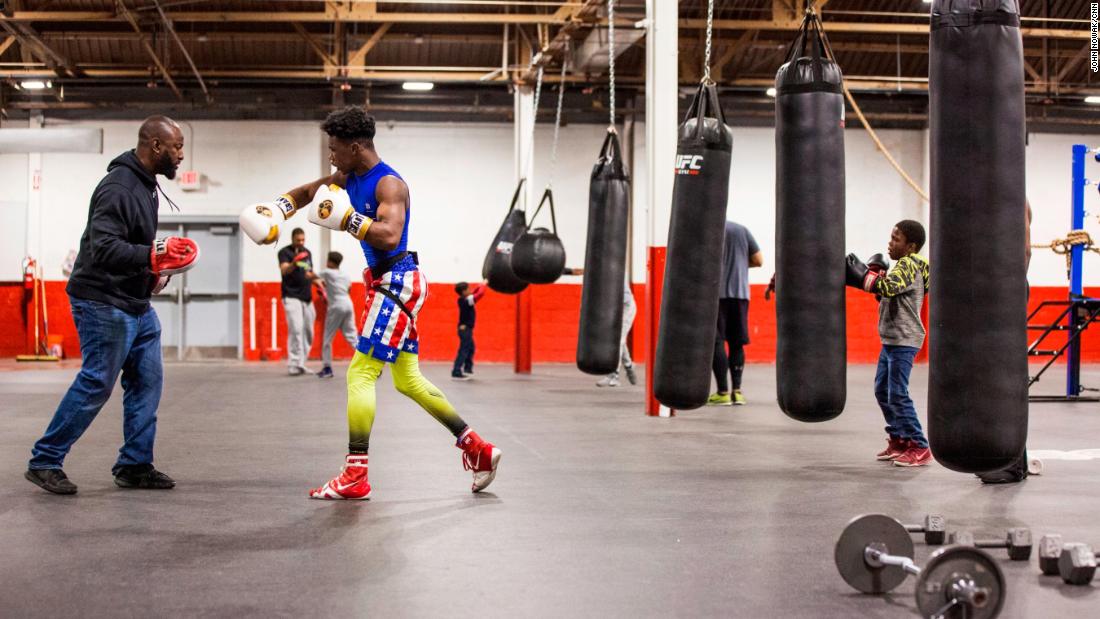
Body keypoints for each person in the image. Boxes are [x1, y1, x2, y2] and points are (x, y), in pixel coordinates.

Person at [239, 105, 501, 498]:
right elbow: (310, 192)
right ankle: (478, 449)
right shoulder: (347, 175)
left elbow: (391, 236)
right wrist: (277, 209)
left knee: (360, 374)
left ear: (357, 146)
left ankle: (356, 474)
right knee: (408, 380)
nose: (331, 155)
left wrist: (347, 221)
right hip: (387, 282)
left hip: (397, 281)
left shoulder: (388, 184)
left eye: (335, 148)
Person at [25, 116, 196, 495]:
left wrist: (154, 271)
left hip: (135, 302)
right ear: (155, 146)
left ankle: (134, 464)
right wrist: (153, 253)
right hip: (102, 301)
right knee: (97, 381)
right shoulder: (118, 186)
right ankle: (45, 460)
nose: (182, 155)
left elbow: (131, 249)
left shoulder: (146, 185)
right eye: (177, 147)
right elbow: (103, 248)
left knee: (147, 381)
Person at [846, 220, 931, 467]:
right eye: (891, 238)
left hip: (904, 340)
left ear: (910, 246)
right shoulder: (901, 266)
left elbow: (890, 288)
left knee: (897, 393)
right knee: (882, 390)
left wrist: (863, 276)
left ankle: (919, 445)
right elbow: (885, 294)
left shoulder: (909, 265)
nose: (890, 243)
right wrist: (869, 280)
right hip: (892, 338)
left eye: (896, 239)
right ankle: (899, 439)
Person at [977, 200, 1036, 484]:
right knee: (989, 377)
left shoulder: (1013, 197)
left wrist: (1008, 288)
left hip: (1007, 287)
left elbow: (1024, 250)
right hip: (994, 286)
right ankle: (1001, 457)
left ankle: (1013, 464)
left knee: (1006, 374)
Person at [708, 220, 763, 406]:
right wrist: (739, 263)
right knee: (737, 343)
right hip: (740, 295)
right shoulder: (742, 230)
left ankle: (722, 392)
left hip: (716, 295)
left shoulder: (709, 229)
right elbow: (758, 260)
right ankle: (737, 392)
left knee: (717, 342)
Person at [278, 228, 321, 376]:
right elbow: (284, 270)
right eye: (298, 240)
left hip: (306, 297)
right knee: (296, 329)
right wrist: (294, 262)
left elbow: (308, 273)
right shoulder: (284, 252)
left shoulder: (307, 253)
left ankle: (301, 363)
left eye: (303, 240)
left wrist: (320, 283)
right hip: (291, 296)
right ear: (292, 239)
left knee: (308, 331)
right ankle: (293, 363)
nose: (301, 243)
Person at [317, 251, 358, 379]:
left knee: (327, 339)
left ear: (329, 261)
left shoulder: (327, 272)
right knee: (352, 336)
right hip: (348, 304)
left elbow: (312, 276)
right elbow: (349, 289)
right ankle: (371, 365)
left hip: (336, 306)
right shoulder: (345, 275)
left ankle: (327, 367)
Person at [596, 286, 638, 387]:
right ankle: (629, 366)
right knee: (620, 342)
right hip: (615, 309)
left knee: (618, 339)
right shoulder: (602, 274)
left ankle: (614, 375)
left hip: (626, 308)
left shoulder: (615, 272)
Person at [452, 281, 486, 380]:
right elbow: (480, 294)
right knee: (464, 350)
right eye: (468, 289)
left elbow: (474, 292)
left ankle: (467, 368)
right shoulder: (466, 300)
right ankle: (456, 371)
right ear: (463, 292)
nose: (470, 290)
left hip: (466, 329)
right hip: (465, 329)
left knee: (471, 349)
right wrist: (484, 285)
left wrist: (480, 285)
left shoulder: (464, 299)